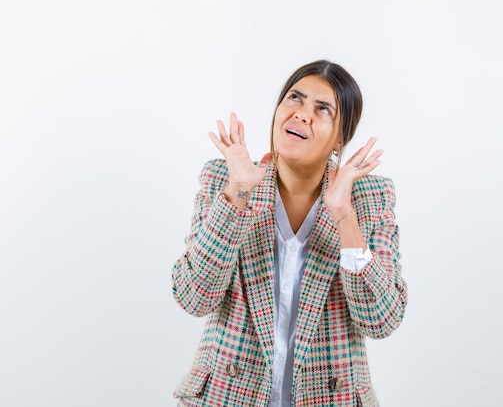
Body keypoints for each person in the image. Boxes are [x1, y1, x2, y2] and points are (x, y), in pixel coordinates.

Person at [171, 59, 407, 407]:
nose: (302, 114)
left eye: (322, 108)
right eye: (295, 98)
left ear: (340, 137)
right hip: (227, 397)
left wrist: (342, 212)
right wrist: (237, 193)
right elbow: (194, 297)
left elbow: (382, 320)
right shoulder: (226, 179)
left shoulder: (370, 198)